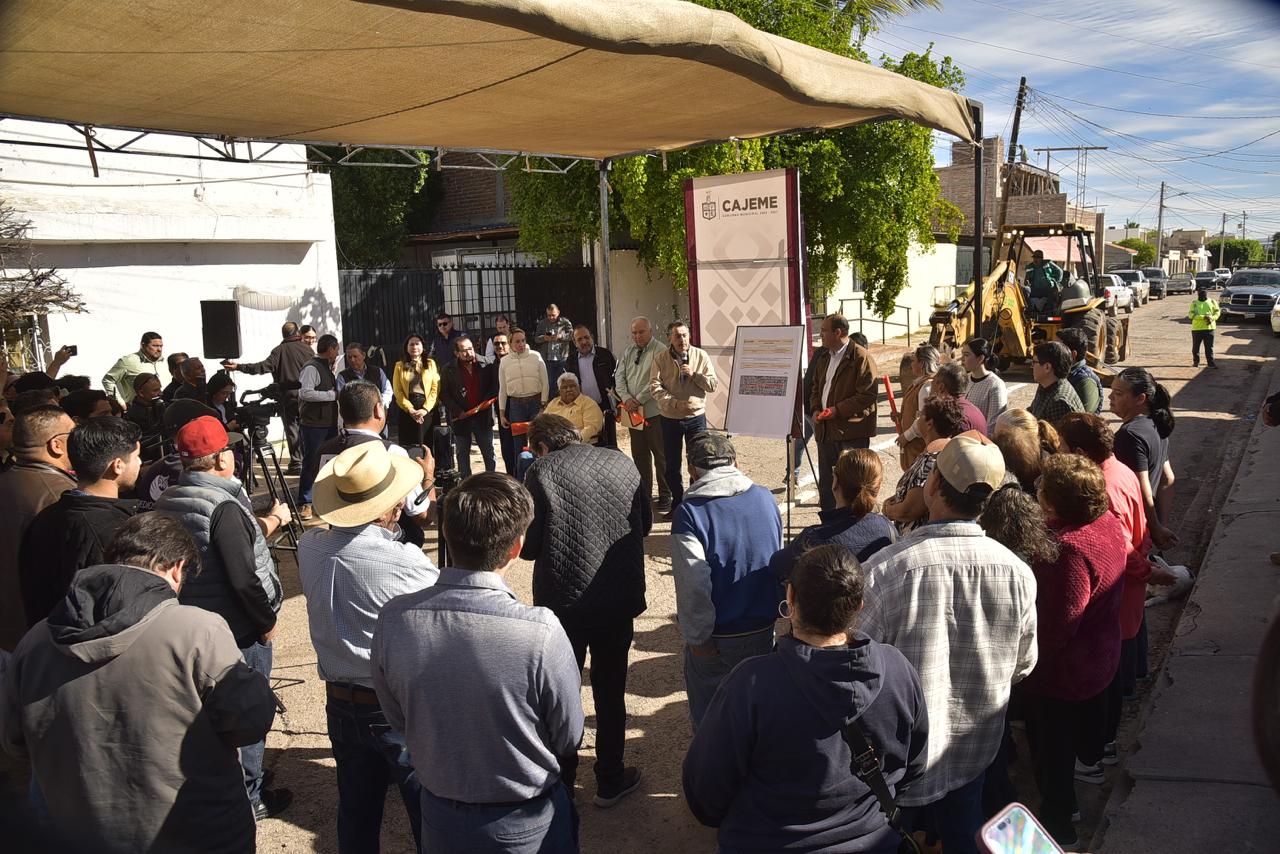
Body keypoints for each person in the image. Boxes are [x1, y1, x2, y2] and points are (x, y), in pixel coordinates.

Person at [1, 513, 276, 854]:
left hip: (77, 835)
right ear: (177, 568)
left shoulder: (34, 643)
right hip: (196, 831)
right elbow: (249, 723)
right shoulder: (196, 630)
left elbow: (14, 742)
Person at [371, 472, 583, 853]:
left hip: (440, 815)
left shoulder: (394, 619)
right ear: (516, 546)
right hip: (526, 820)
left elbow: (398, 718)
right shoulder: (540, 631)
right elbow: (567, 735)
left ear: (447, 536)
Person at [684, 544, 929, 852]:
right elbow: (914, 767)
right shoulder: (898, 669)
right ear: (859, 606)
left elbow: (705, 793)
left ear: (791, 599)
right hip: (874, 840)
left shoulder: (751, 685)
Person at [860, 434, 1038, 854]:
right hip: (974, 749)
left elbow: (855, 666)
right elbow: (1024, 664)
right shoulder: (1017, 572)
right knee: (965, 834)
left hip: (899, 761)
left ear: (934, 485)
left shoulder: (884, 572)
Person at [299, 441, 439, 853]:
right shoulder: (403, 561)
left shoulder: (309, 548)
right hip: (393, 703)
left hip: (340, 700)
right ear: (385, 508)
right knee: (425, 811)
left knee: (357, 813)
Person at [154, 415, 293, 820]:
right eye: (229, 450)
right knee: (247, 711)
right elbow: (243, 577)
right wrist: (265, 621)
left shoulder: (169, 500)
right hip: (238, 630)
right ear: (220, 460)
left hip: (190, 624)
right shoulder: (224, 506)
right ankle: (250, 795)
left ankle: (232, 782)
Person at [521, 413, 650, 806]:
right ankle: (610, 776)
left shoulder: (540, 471)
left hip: (565, 603)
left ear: (542, 446)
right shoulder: (621, 460)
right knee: (611, 691)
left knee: (563, 692)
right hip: (617, 598)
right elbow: (643, 524)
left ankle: (563, 779)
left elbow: (528, 546)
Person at [1021, 454, 1127, 847]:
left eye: (1043, 488)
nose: (1037, 492)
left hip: (1063, 677)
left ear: (1056, 501)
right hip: (1100, 658)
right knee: (1076, 742)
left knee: (1052, 754)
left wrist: (1023, 668)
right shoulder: (1107, 522)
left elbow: (1056, 627)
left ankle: (1059, 823)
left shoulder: (1068, 549)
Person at [672, 432, 782, 730]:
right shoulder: (765, 498)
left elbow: (693, 583)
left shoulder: (690, 515)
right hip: (764, 632)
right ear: (736, 462)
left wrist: (698, 639)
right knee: (759, 718)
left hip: (720, 639)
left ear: (692, 470)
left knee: (713, 725)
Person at [19, 416, 141, 628]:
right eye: (137, 456)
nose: (140, 462)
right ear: (118, 465)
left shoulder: (46, 517)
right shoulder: (113, 531)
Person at [314, 381, 435, 550]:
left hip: (340, 544)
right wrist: (428, 476)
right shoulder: (392, 452)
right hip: (389, 548)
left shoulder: (324, 450)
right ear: (378, 409)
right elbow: (423, 516)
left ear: (341, 411)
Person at [0, 405, 77, 650]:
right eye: (73, 435)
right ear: (57, 445)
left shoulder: (8, 479)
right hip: (37, 633)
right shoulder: (58, 494)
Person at [767, 448, 896, 582]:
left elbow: (776, 565)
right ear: (877, 487)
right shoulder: (887, 528)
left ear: (835, 482)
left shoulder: (813, 539)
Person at [223, 321, 315, 474]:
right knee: (306, 430)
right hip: (308, 398)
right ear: (297, 333)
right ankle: (309, 461)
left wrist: (239, 367)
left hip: (287, 399)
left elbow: (261, 367)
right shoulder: (308, 350)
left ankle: (297, 463)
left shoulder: (278, 351)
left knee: (292, 430)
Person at [809, 314, 878, 512]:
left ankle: (852, 527)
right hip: (826, 431)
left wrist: (837, 411)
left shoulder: (861, 357)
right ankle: (828, 526)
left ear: (838, 332)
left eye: (823, 330)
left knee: (852, 484)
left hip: (851, 434)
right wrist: (815, 409)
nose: (820, 334)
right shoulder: (824, 356)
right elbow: (816, 387)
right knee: (828, 485)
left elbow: (867, 395)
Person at [651, 321, 719, 513]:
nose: (682, 340)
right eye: (677, 336)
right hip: (670, 418)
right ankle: (678, 502)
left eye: (684, 335)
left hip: (695, 417)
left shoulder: (700, 355)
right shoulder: (660, 359)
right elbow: (654, 387)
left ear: (689, 336)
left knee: (697, 461)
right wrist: (673, 402)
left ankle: (694, 502)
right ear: (670, 338)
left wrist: (695, 374)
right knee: (671, 464)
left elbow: (713, 385)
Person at [1110, 366, 1178, 551]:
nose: (1110, 397)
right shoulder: (1157, 424)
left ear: (1140, 399)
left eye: (1118, 393)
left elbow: (1140, 487)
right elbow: (1168, 479)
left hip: (1135, 531)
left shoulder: (1129, 435)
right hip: (1148, 527)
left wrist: (1155, 528)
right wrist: (1160, 524)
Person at [884, 397, 966, 533]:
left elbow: (909, 511)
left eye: (920, 415)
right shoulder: (949, 450)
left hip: (917, 537)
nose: (917, 420)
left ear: (929, 424)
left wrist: (888, 510)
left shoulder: (932, 460)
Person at [614, 316, 670, 511]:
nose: (637, 336)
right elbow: (619, 377)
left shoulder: (661, 350)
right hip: (632, 412)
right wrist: (626, 397)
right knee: (639, 456)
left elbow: (659, 380)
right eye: (634, 333)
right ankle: (644, 495)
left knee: (661, 455)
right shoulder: (629, 351)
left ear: (650, 331)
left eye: (641, 332)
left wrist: (637, 399)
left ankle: (665, 494)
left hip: (654, 412)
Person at [296, 334, 342, 519]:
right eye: (336, 349)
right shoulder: (311, 368)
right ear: (330, 349)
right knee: (311, 462)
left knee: (328, 461)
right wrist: (332, 395)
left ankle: (324, 499)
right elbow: (305, 393)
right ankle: (305, 502)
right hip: (314, 425)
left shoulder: (325, 367)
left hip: (328, 423)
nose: (337, 353)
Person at [439, 336, 498, 477]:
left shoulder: (487, 363)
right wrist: (458, 412)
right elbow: (445, 395)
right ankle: (466, 484)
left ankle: (492, 481)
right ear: (456, 353)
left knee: (489, 452)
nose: (468, 353)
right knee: (462, 454)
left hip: (483, 416)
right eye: (464, 350)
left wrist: (483, 405)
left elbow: (494, 387)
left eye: (470, 349)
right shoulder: (448, 369)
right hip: (461, 418)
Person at [497, 327, 549, 456]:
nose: (521, 344)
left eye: (523, 340)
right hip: (516, 406)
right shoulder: (504, 362)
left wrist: (543, 406)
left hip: (536, 403)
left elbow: (545, 383)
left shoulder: (536, 356)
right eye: (517, 341)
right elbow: (502, 389)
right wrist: (502, 413)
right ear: (510, 344)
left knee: (539, 441)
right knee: (519, 445)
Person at [567, 325, 618, 448]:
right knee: (587, 443)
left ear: (592, 338)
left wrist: (618, 403)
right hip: (583, 410)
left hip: (605, 407)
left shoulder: (605, 355)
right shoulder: (570, 360)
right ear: (574, 342)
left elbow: (617, 379)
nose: (584, 342)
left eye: (586, 337)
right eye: (579, 339)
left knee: (609, 444)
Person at [391, 332, 442, 452]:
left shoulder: (430, 363)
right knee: (409, 447)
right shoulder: (399, 366)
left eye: (417, 344)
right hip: (408, 409)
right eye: (411, 344)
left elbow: (436, 387)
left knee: (429, 445)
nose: (414, 347)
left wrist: (425, 409)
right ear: (406, 348)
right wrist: (410, 409)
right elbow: (397, 390)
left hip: (427, 409)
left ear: (423, 347)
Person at [993, 409, 1059, 494]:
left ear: (1019, 439)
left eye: (1000, 436)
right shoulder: (1019, 460)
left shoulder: (1045, 473)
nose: (994, 439)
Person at [897, 344, 939, 471]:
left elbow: (923, 419)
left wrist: (906, 436)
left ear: (921, 364)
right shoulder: (920, 383)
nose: (911, 364)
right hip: (913, 445)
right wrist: (901, 416)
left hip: (918, 446)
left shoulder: (926, 387)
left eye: (914, 360)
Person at [101, 331, 164, 406]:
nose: (159, 349)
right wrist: (120, 403)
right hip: (139, 410)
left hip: (163, 407)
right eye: (155, 346)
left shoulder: (165, 362)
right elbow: (108, 380)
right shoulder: (128, 361)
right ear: (143, 345)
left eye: (161, 346)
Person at [1028, 341, 1084, 423]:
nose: (1031, 366)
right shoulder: (1044, 385)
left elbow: (1057, 435)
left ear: (1047, 367)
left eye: (1034, 362)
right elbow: (1032, 412)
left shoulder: (1059, 402)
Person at [543, 373, 604, 447]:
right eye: (564, 387)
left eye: (572, 386)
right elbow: (543, 424)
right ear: (559, 391)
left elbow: (591, 428)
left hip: (582, 446)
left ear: (579, 387)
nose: (569, 389)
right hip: (554, 446)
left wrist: (572, 442)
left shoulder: (588, 403)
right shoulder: (553, 404)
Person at [961, 338, 1007, 433]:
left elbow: (993, 425)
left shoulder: (995, 385)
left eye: (966, 355)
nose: (962, 359)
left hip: (981, 442)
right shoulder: (964, 379)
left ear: (980, 358)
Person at [931, 362, 988, 434]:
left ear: (941, 387)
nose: (931, 385)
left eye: (933, 381)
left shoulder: (951, 416)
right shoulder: (974, 410)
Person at [1056, 328, 1103, 415]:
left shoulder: (1086, 382)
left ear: (1073, 354)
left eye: (1058, 350)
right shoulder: (1060, 374)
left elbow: (1084, 419)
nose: (1053, 353)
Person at [338, 342, 393, 414]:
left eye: (355, 356)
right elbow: (343, 398)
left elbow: (388, 391)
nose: (352, 360)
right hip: (355, 418)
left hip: (378, 415)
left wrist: (380, 405)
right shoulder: (342, 376)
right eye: (349, 357)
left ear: (363, 355)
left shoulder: (377, 371)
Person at [489, 330, 517, 473]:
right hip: (502, 411)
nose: (500, 346)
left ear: (509, 344)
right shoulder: (492, 366)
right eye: (496, 343)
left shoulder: (518, 361)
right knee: (506, 448)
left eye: (503, 343)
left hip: (519, 408)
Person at [125, 372, 167, 462]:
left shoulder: (161, 406)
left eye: (160, 389)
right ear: (141, 393)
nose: (161, 393)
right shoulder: (132, 417)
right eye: (155, 390)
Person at [535, 302, 575, 387]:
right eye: (549, 315)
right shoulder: (542, 323)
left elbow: (573, 335)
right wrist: (544, 338)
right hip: (548, 358)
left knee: (564, 381)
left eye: (553, 315)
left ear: (558, 312)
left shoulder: (564, 322)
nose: (551, 317)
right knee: (550, 383)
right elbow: (536, 339)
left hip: (562, 357)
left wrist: (561, 336)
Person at [1188, 287, 1221, 368]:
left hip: (1209, 328)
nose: (1202, 294)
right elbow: (1191, 315)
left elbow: (1217, 312)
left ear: (1207, 293)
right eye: (1201, 292)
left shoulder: (1212, 301)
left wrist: (1212, 318)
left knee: (1209, 347)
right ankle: (1196, 362)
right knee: (1196, 347)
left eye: (1204, 292)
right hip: (1197, 329)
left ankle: (1211, 363)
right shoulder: (1194, 303)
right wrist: (1204, 317)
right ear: (1198, 294)